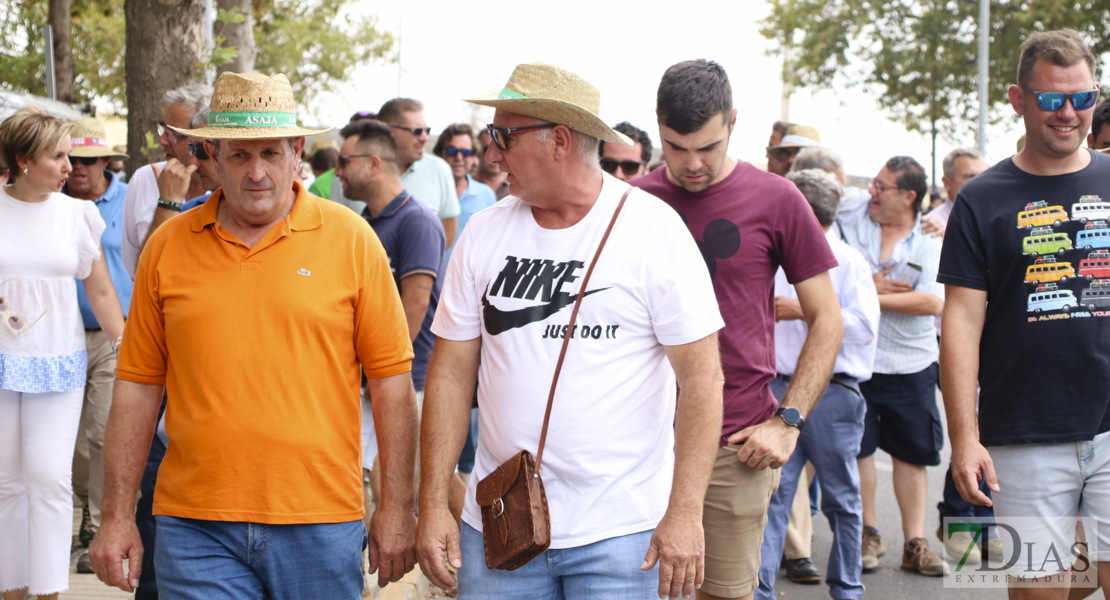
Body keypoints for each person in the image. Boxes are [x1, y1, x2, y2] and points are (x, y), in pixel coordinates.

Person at [88, 72, 420, 598]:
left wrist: (398, 507)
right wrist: (115, 516)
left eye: (270, 152)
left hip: (320, 519)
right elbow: (136, 386)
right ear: (213, 157)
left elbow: (392, 383)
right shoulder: (167, 246)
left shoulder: (352, 240)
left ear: (298, 151)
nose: (257, 172)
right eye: (240, 155)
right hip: (195, 524)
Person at [416, 62, 725, 600]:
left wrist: (685, 512)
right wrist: (434, 503)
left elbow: (702, 380)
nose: (491, 153)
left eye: (502, 136)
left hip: (624, 534)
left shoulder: (653, 230)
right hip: (500, 524)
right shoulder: (484, 231)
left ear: (559, 139)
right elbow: (449, 375)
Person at [633, 59, 843, 600]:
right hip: (636, 444)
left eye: (707, 145)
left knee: (722, 593)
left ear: (733, 123)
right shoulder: (633, 203)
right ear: (658, 127)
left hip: (735, 442)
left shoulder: (777, 198)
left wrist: (789, 421)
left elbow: (827, 320)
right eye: (676, 147)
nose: (692, 163)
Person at [940, 29, 1110, 599]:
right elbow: (960, 323)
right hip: (1024, 432)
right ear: (1017, 99)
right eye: (1051, 99)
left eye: (1082, 98)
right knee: (1041, 591)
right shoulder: (981, 199)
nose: (1069, 113)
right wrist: (964, 436)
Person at [0, 106, 125, 600]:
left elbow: (101, 293)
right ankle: (12, 587)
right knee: (6, 483)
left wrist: (126, 350)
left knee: (49, 479)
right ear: (25, 159)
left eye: (69, 155)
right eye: (58, 157)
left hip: (58, 360)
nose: (69, 167)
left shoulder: (78, 214)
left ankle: (49, 592)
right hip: (2, 360)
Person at [755, 168, 880, 600]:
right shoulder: (769, 257)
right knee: (770, 497)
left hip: (833, 394)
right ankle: (759, 590)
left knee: (842, 500)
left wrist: (807, 310)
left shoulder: (848, 260)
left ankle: (847, 588)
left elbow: (864, 327)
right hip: (774, 390)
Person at [837, 155, 947, 576]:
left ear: (909, 196)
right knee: (859, 451)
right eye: (874, 184)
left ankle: (915, 543)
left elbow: (930, 302)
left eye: (883, 187)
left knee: (910, 455)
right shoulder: (853, 217)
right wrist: (875, 288)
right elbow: (825, 188)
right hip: (858, 363)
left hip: (911, 365)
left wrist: (865, 294)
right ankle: (869, 533)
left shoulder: (930, 239)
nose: (873, 192)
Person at [62, 117, 133, 574]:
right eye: (73, 160)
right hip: (60, 334)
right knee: (72, 439)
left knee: (104, 428)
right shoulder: (51, 203)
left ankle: (100, 523)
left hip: (113, 333)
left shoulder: (127, 202)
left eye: (89, 160)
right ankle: (87, 509)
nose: (79, 169)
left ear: (106, 161)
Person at [121, 82, 212, 278]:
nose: (162, 140)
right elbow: (138, 271)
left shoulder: (229, 187)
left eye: (173, 134)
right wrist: (167, 205)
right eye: (163, 129)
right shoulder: (144, 179)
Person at [375, 98, 460, 246]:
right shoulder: (352, 170)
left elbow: (448, 230)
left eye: (427, 131)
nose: (425, 138)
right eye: (417, 131)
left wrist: (422, 264)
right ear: (389, 132)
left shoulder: (439, 169)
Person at [432, 123, 497, 261]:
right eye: (451, 151)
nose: (459, 158)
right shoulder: (427, 191)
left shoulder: (486, 195)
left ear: (474, 156)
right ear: (440, 153)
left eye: (466, 152)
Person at [920, 148, 988, 237]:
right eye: (971, 177)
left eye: (985, 175)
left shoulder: (999, 218)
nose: (981, 182)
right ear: (947, 182)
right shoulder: (931, 227)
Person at [473, 128, 509, 200]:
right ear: (478, 152)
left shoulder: (515, 191)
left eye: (500, 148)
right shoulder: (464, 186)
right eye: (487, 149)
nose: (494, 156)